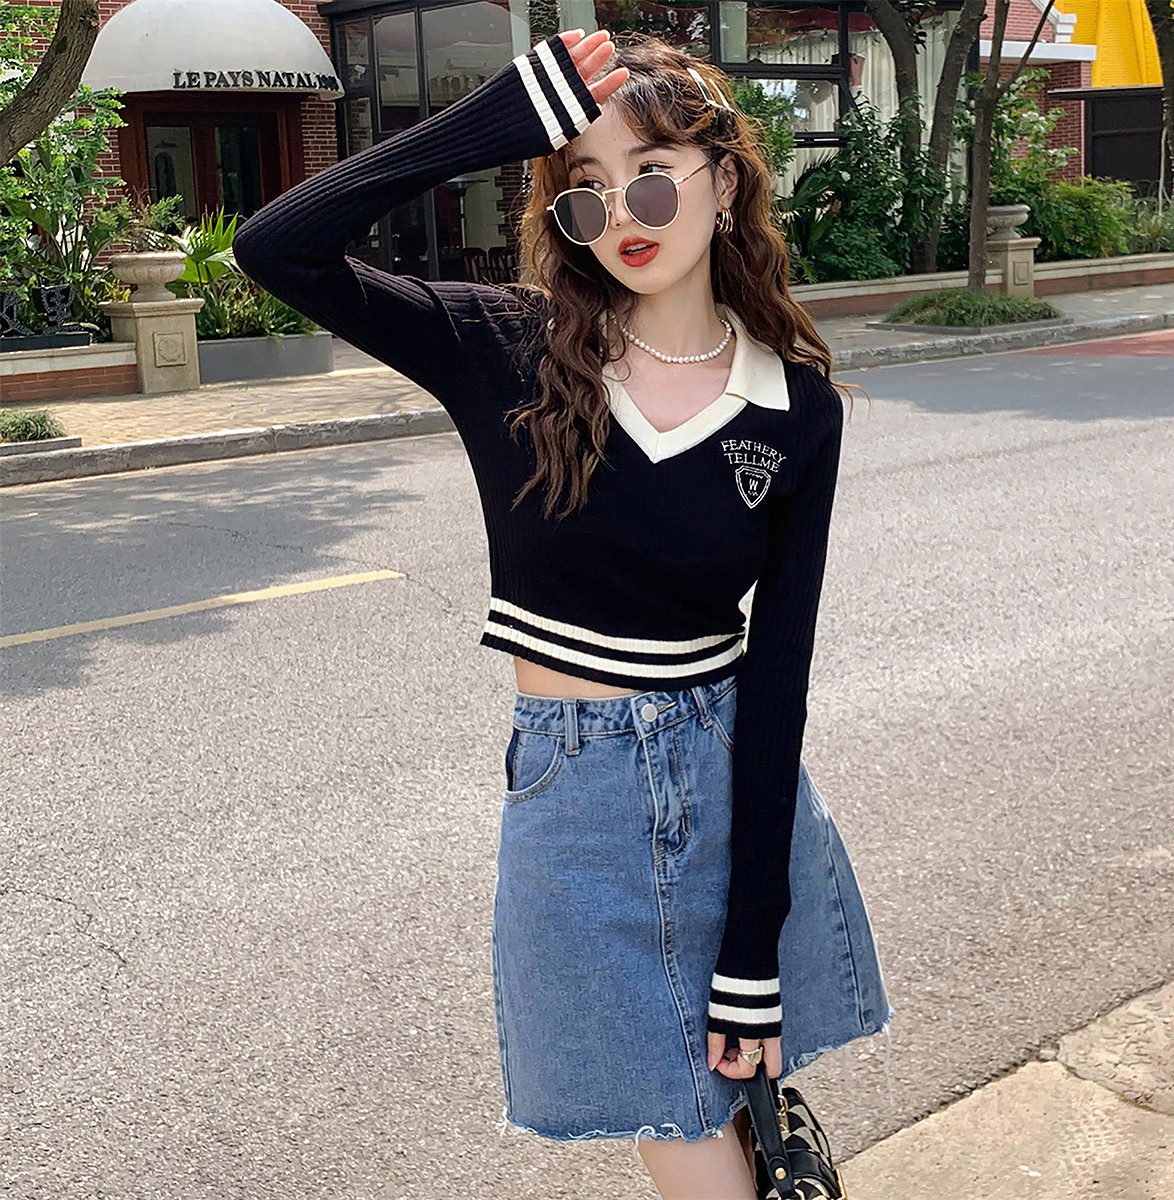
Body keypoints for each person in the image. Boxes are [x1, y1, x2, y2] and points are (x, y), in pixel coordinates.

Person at [232, 27, 891, 1200]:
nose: (623, 214)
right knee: (671, 1110)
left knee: (715, 1102)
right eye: (585, 191)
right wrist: (486, 125)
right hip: (575, 792)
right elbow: (276, 248)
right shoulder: (505, 350)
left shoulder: (795, 410)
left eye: (653, 178)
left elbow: (779, 681)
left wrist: (754, 945)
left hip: (730, 771)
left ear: (725, 183)